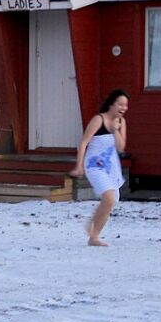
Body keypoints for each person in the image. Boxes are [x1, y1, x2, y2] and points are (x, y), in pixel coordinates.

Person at [69, 89, 129, 246]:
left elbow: (121, 147)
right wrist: (79, 166)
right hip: (94, 165)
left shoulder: (121, 122)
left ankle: (93, 236)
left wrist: (116, 130)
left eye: (126, 105)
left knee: (110, 202)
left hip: (110, 166)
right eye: (120, 104)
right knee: (108, 198)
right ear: (111, 104)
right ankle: (93, 231)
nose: (123, 108)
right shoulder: (99, 119)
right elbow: (83, 142)